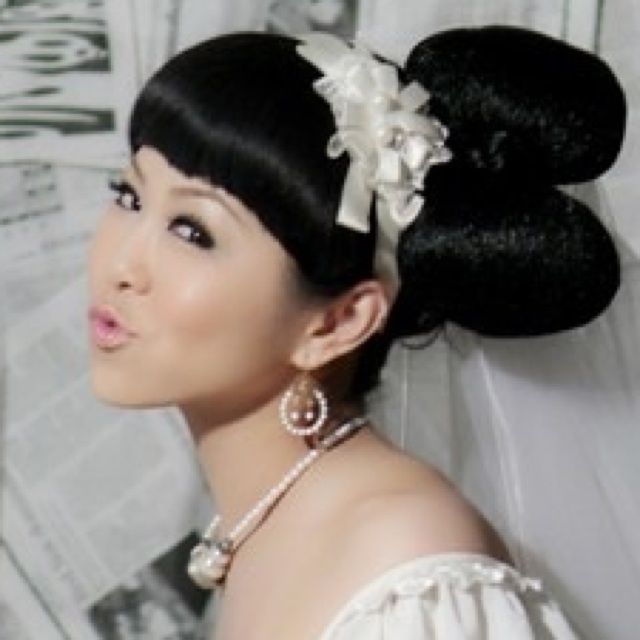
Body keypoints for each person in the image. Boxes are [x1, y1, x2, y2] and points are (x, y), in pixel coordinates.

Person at [86, 25, 627, 639]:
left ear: (337, 323)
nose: (121, 264)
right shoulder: (266, 523)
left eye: (193, 232)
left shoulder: (409, 563)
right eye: (128, 196)